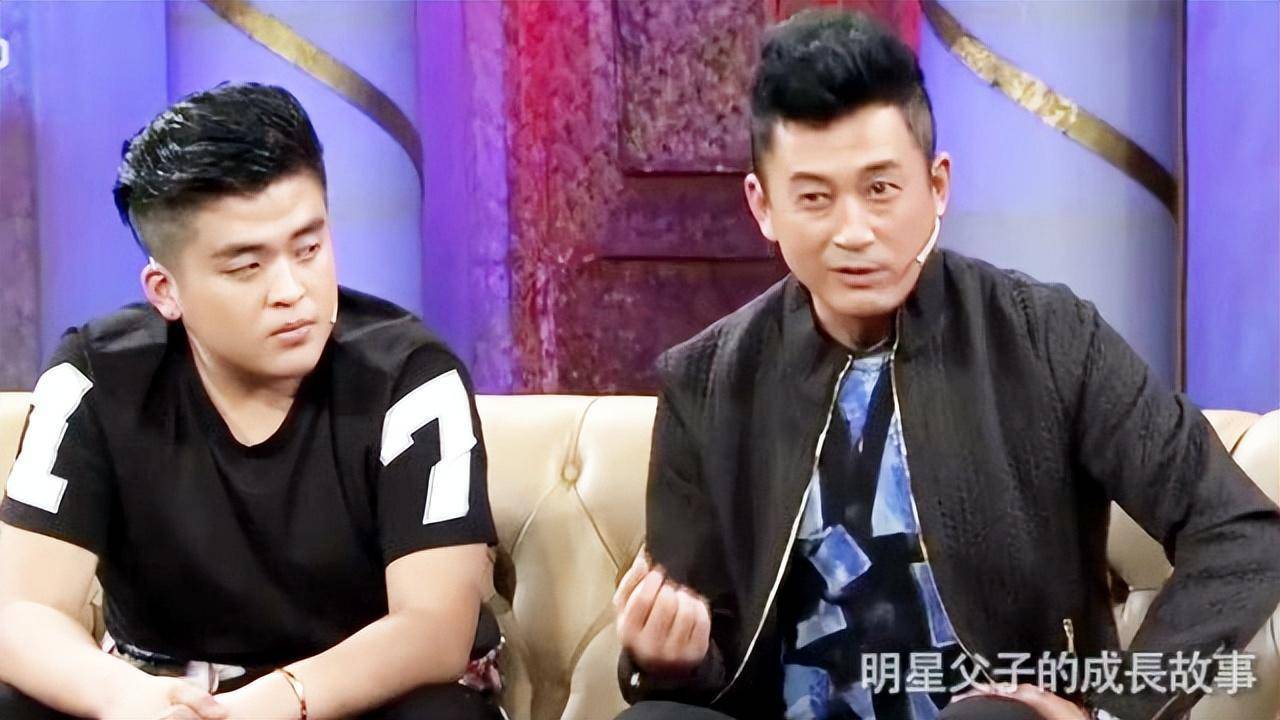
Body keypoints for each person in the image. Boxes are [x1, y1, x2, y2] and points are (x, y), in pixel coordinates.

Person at [612, 10, 1280, 720]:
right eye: (814, 198)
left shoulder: (1047, 336)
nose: (854, 233)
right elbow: (707, 656)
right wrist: (666, 661)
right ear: (763, 206)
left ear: (937, 187)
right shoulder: (705, 381)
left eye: (880, 189)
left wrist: (1112, 712)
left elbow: (1240, 530)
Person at [0, 83, 503, 720]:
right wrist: (128, 698)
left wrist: (273, 702)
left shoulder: (410, 376)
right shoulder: (95, 375)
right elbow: (20, 610)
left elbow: (433, 628)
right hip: (163, 700)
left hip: (355, 702)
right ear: (165, 290)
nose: (292, 290)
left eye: (309, 248)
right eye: (247, 267)